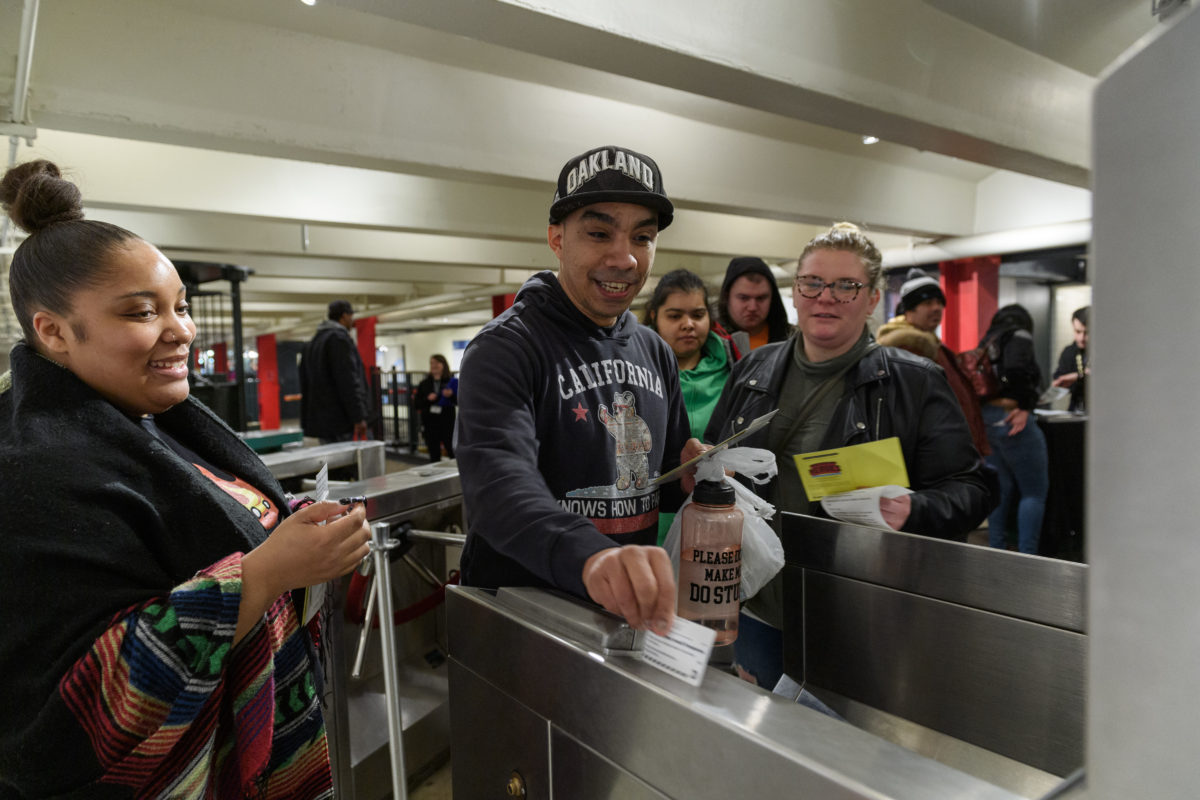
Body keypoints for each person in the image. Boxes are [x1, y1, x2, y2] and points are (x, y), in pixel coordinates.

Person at [0, 160, 371, 798]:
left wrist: (287, 524)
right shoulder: (32, 473)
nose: (182, 331)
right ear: (54, 332)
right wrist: (267, 571)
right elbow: (65, 712)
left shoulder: (151, 419)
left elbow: (208, 518)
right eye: (143, 312)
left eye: (182, 307)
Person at [706, 222, 993, 689]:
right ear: (795, 294)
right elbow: (717, 461)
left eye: (846, 285)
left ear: (872, 298)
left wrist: (914, 509)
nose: (827, 297)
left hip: (855, 618)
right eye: (813, 283)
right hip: (756, 607)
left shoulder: (914, 382)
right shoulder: (754, 370)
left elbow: (973, 490)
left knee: (840, 747)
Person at [455, 145, 705, 635]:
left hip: (621, 614)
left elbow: (664, 471)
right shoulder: (506, 348)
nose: (625, 257)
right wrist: (590, 557)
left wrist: (693, 469)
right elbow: (498, 487)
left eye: (643, 236)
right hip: (521, 618)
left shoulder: (654, 351)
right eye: (598, 233)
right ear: (556, 239)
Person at [643, 268, 738, 542]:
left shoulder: (734, 370)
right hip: (653, 521)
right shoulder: (637, 368)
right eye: (674, 316)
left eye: (697, 315)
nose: (688, 324)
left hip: (719, 517)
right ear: (654, 316)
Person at [877, 267, 990, 455]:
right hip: (937, 450)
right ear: (910, 309)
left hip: (954, 445)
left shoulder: (933, 345)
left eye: (939, 302)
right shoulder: (906, 348)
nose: (937, 308)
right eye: (928, 302)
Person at [980, 304, 1049, 554]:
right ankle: (1028, 557)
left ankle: (996, 550)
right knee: (1034, 492)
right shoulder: (1019, 335)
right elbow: (1017, 370)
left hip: (987, 416)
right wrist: (1026, 405)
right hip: (1011, 415)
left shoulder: (988, 340)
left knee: (1000, 490)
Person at [299, 299, 370, 443]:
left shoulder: (313, 342)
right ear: (344, 316)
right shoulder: (338, 340)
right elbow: (347, 380)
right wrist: (358, 416)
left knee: (330, 461)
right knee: (344, 461)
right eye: (351, 316)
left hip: (321, 420)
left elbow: (304, 380)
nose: (352, 320)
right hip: (339, 420)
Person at [715, 256, 792, 351]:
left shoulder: (795, 340)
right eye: (743, 298)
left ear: (772, 298)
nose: (752, 307)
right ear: (727, 297)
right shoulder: (708, 340)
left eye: (761, 298)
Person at [414, 353, 458, 461]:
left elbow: (459, 401)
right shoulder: (424, 383)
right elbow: (416, 404)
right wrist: (427, 399)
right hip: (430, 423)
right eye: (431, 363)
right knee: (434, 455)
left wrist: (451, 395)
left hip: (447, 423)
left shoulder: (451, 382)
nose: (434, 365)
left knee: (453, 452)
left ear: (443, 364)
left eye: (437, 363)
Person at [1052, 305, 1090, 413]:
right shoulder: (1070, 352)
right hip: (1076, 409)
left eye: (1087, 333)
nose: (1081, 338)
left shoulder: (1106, 353)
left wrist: (1078, 377)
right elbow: (1059, 377)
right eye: (1077, 332)